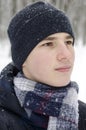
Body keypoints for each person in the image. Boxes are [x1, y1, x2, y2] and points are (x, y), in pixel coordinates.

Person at [0, 1, 86, 130]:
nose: (66, 54)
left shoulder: (82, 115)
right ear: (22, 58)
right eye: (48, 44)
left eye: (68, 42)